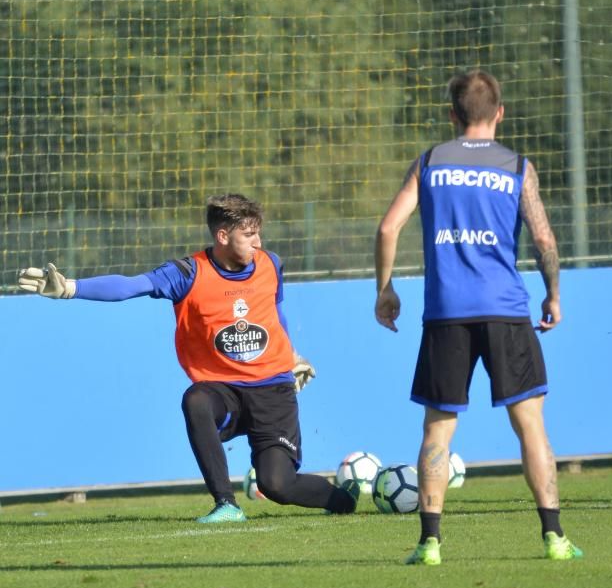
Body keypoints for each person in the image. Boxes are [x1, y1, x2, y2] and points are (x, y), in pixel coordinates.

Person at [17, 193, 360, 522]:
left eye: (259, 234)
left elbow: (275, 313)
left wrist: (291, 355)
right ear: (222, 235)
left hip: (273, 389)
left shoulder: (270, 263)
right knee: (196, 399)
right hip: (225, 392)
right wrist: (70, 288)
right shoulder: (187, 273)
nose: (258, 243)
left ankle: (344, 500)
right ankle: (226, 505)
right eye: (249, 235)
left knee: (277, 485)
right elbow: (131, 286)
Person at [374, 70, 582, 564]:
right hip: (506, 309)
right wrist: (553, 293)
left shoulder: (429, 164)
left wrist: (385, 290)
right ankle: (553, 536)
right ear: (500, 113)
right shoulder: (517, 167)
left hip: (446, 312)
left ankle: (429, 543)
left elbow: (387, 228)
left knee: (438, 428)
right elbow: (545, 240)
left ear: (452, 115)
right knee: (530, 423)